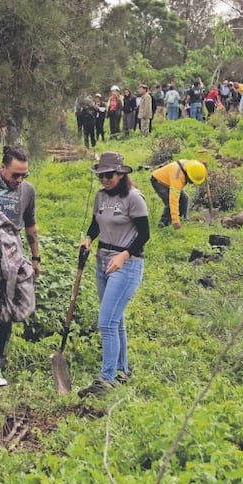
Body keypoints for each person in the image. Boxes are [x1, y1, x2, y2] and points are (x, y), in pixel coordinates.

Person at [78, 152, 149, 398]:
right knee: (115, 320)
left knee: (106, 322)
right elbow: (96, 223)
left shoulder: (133, 198)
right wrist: (88, 238)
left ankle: (106, 379)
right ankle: (122, 371)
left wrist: (125, 255)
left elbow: (144, 235)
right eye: (101, 175)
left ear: (121, 174)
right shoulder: (100, 196)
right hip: (102, 261)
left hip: (126, 265)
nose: (105, 179)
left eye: (109, 175)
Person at [0, 146, 42, 387]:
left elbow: (31, 226)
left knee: (5, 314)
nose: (19, 180)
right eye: (15, 175)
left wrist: (35, 259)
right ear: (2, 168)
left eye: (24, 175)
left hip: (11, 263)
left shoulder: (27, 191)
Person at [150, 159, 207, 229]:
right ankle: (163, 226)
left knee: (185, 199)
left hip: (170, 180)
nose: (193, 183)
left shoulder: (190, 166)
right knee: (169, 204)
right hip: (158, 181)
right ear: (188, 175)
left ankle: (183, 221)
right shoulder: (177, 177)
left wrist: (203, 167)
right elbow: (173, 200)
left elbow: (197, 167)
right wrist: (175, 221)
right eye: (192, 180)